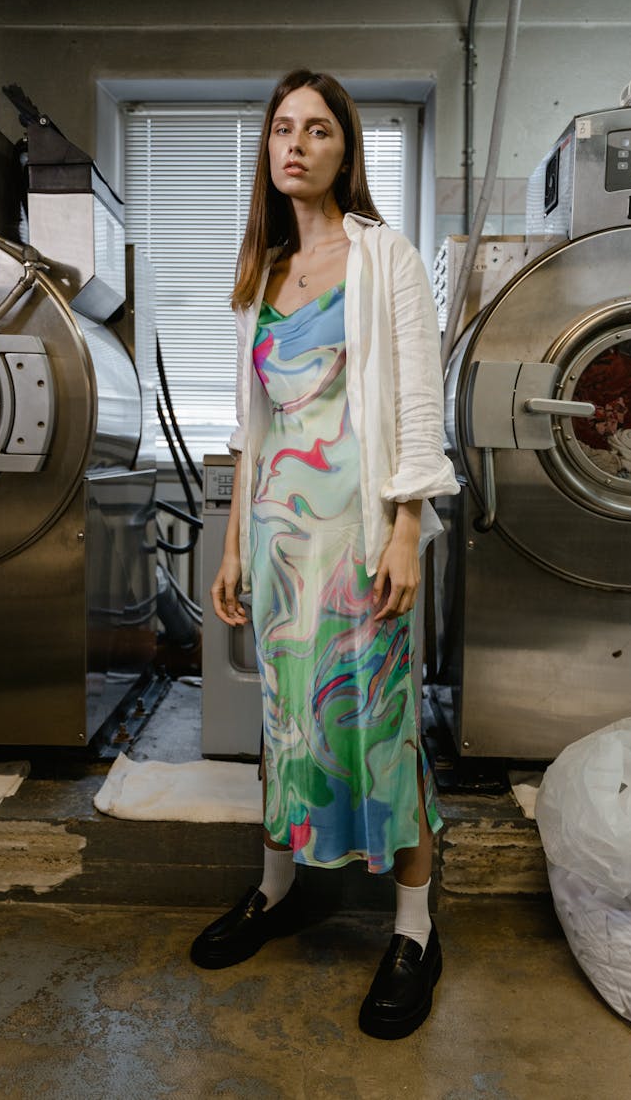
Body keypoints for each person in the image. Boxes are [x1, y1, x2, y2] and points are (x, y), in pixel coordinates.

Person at [190, 68, 459, 1040]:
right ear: (267, 150)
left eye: (317, 131)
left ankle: (415, 929)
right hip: (276, 544)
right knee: (285, 722)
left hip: (358, 538)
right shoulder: (261, 272)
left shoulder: (386, 259)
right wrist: (229, 550)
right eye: (281, 130)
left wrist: (405, 533)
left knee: (380, 727)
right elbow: (252, 428)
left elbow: (419, 411)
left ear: (347, 149)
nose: (295, 144)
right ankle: (279, 889)